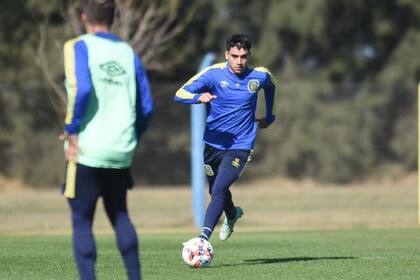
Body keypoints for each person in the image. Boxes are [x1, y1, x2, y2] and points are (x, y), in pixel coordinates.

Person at [61, 0, 153, 279]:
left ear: (83, 17)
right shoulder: (128, 52)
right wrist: (131, 138)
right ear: (113, 18)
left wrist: (71, 128)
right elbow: (146, 106)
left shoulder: (77, 46)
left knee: (82, 221)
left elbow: (82, 88)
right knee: (120, 215)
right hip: (120, 151)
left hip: (86, 150)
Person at [174, 34, 278, 242]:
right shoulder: (213, 74)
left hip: (240, 145)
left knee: (220, 188)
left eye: (244, 57)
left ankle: (203, 238)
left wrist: (270, 116)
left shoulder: (259, 76)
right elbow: (180, 93)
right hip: (213, 143)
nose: (239, 61)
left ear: (249, 56)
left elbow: (272, 85)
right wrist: (198, 97)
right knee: (215, 189)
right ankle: (232, 214)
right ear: (226, 55)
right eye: (234, 56)